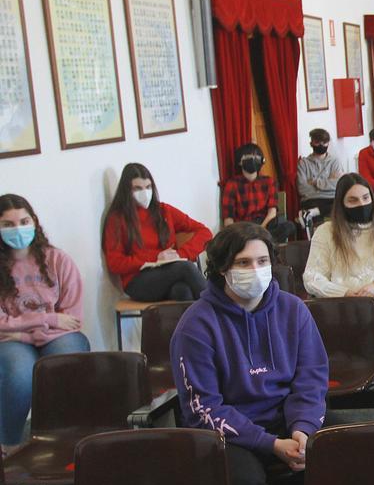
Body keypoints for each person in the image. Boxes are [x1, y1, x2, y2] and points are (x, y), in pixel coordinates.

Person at [172, 221, 328, 485]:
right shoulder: (195, 326)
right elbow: (203, 407)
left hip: (287, 421)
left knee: (346, 452)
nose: (254, 271)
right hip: (231, 432)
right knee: (243, 481)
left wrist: (302, 429)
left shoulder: (293, 310)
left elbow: (311, 377)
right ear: (222, 267)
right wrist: (270, 444)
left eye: (262, 260)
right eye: (243, 263)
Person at [0, 194, 89, 448]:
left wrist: (23, 333)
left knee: (65, 361)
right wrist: (48, 319)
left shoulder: (58, 260)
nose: (18, 229)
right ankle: (9, 446)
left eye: (24, 220)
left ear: (35, 222)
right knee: (19, 372)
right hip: (15, 340)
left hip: (48, 336)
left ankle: (69, 442)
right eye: (8, 224)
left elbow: (72, 320)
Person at [304, 173, 374, 349]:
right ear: (341, 204)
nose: (362, 204)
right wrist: (345, 292)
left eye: (366, 198)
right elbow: (312, 278)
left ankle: (369, 362)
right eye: (353, 200)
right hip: (348, 305)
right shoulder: (326, 232)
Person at [103, 163, 211, 302]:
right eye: (137, 188)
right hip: (137, 280)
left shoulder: (163, 210)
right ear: (126, 190)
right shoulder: (117, 219)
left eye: (148, 187)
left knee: (182, 292)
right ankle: (222, 313)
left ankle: (197, 323)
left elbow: (204, 232)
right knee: (186, 268)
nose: (144, 192)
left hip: (169, 271)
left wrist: (180, 254)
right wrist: (155, 258)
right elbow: (115, 263)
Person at [221, 143, 295, 244]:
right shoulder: (232, 184)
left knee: (289, 226)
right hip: (244, 226)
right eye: (248, 156)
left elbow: (272, 212)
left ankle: (262, 244)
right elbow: (228, 219)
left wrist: (261, 229)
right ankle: (264, 244)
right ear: (240, 161)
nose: (252, 159)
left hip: (265, 224)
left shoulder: (269, 181)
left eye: (256, 156)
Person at [296, 128, 344, 217]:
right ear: (311, 143)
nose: (321, 145)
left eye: (324, 142)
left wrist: (315, 182)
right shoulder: (303, 163)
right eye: (317, 142)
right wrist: (329, 180)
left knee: (343, 205)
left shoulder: (335, 161)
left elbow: (338, 184)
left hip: (332, 198)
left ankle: (316, 211)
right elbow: (302, 189)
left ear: (328, 143)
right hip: (312, 199)